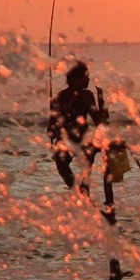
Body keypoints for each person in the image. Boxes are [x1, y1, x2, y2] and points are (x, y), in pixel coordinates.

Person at [47, 61, 108, 191]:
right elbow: (99, 120)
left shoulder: (60, 96)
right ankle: (81, 191)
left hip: (72, 139)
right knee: (83, 163)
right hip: (78, 139)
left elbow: (51, 128)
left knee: (63, 165)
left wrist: (52, 130)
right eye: (85, 77)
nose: (88, 79)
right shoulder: (85, 96)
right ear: (75, 79)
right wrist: (101, 99)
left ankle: (78, 192)